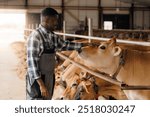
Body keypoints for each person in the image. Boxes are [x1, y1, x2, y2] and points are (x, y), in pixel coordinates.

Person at [26, 7, 88, 100]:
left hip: (49, 76)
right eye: (54, 20)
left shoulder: (52, 36)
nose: (56, 23)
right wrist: (41, 85)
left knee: (47, 100)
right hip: (37, 79)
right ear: (47, 19)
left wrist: (84, 45)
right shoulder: (35, 37)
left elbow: (64, 45)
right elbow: (32, 65)